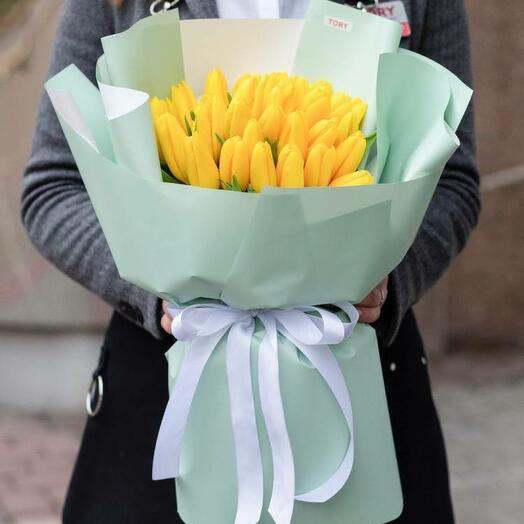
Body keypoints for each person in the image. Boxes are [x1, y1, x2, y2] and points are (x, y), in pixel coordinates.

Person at [21, 0, 480, 522]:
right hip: (166, 384)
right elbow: (52, 189)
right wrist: (161, 288)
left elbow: (454, 182)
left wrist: (387, 281)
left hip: (361, 374)